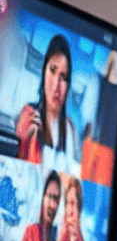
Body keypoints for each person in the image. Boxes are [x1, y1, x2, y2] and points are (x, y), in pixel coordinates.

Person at [17, 34, 79, 173]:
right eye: (52, 70)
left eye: (63, 77)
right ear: (44, 70)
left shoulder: (70, 130)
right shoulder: (29, 115)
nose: (56, 85)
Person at [15, 171, 60, 241]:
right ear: (43, 197)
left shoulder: (59, 240)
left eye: (56, 199)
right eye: (49, 196)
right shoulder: (31, 232)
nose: (52, 204)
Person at [46, 177, 87, 241]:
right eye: (67, 203)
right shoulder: (51, 234)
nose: (70, 211)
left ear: (79, 210)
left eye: (73, 204)